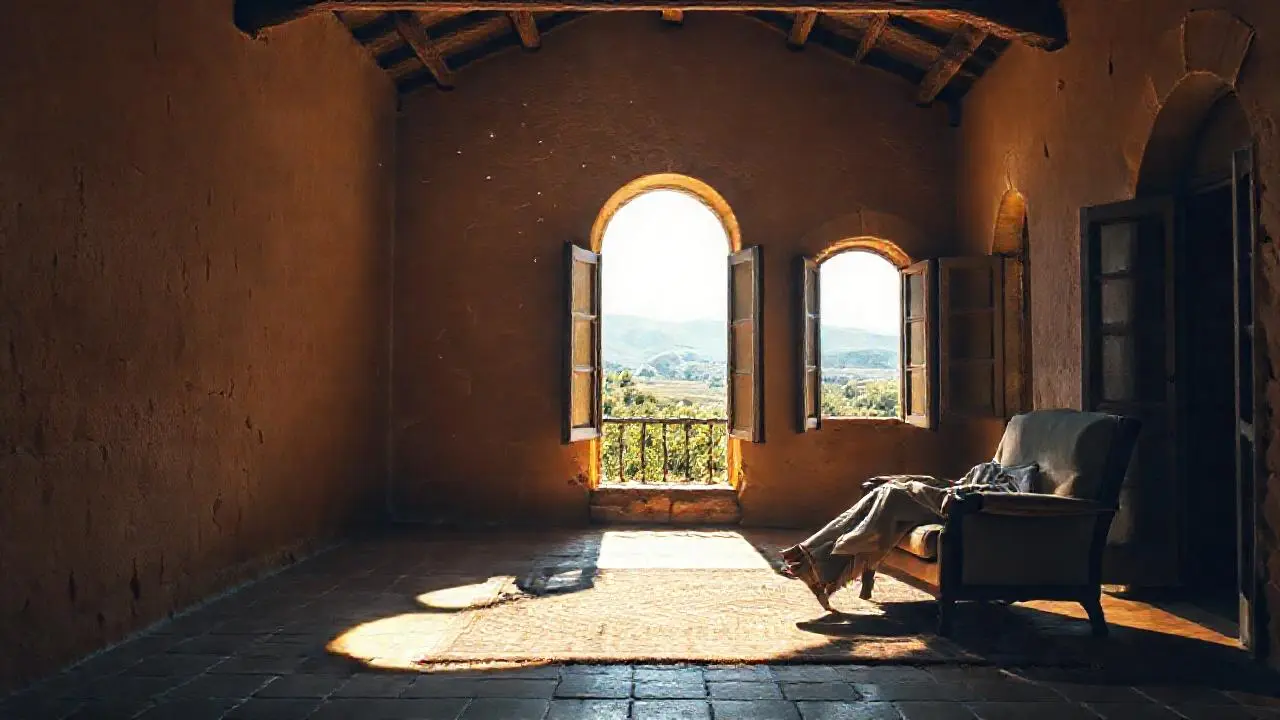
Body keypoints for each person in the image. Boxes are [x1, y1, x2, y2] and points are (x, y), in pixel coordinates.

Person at [780, 461, 1039, 611]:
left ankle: (813, 559)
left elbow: (1004, 500)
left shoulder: (1022, 481)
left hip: (962, 509)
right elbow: (962, 481)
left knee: (892, 497)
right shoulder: (994, 468)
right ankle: (814, 558)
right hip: (952, 496)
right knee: (884, 493)